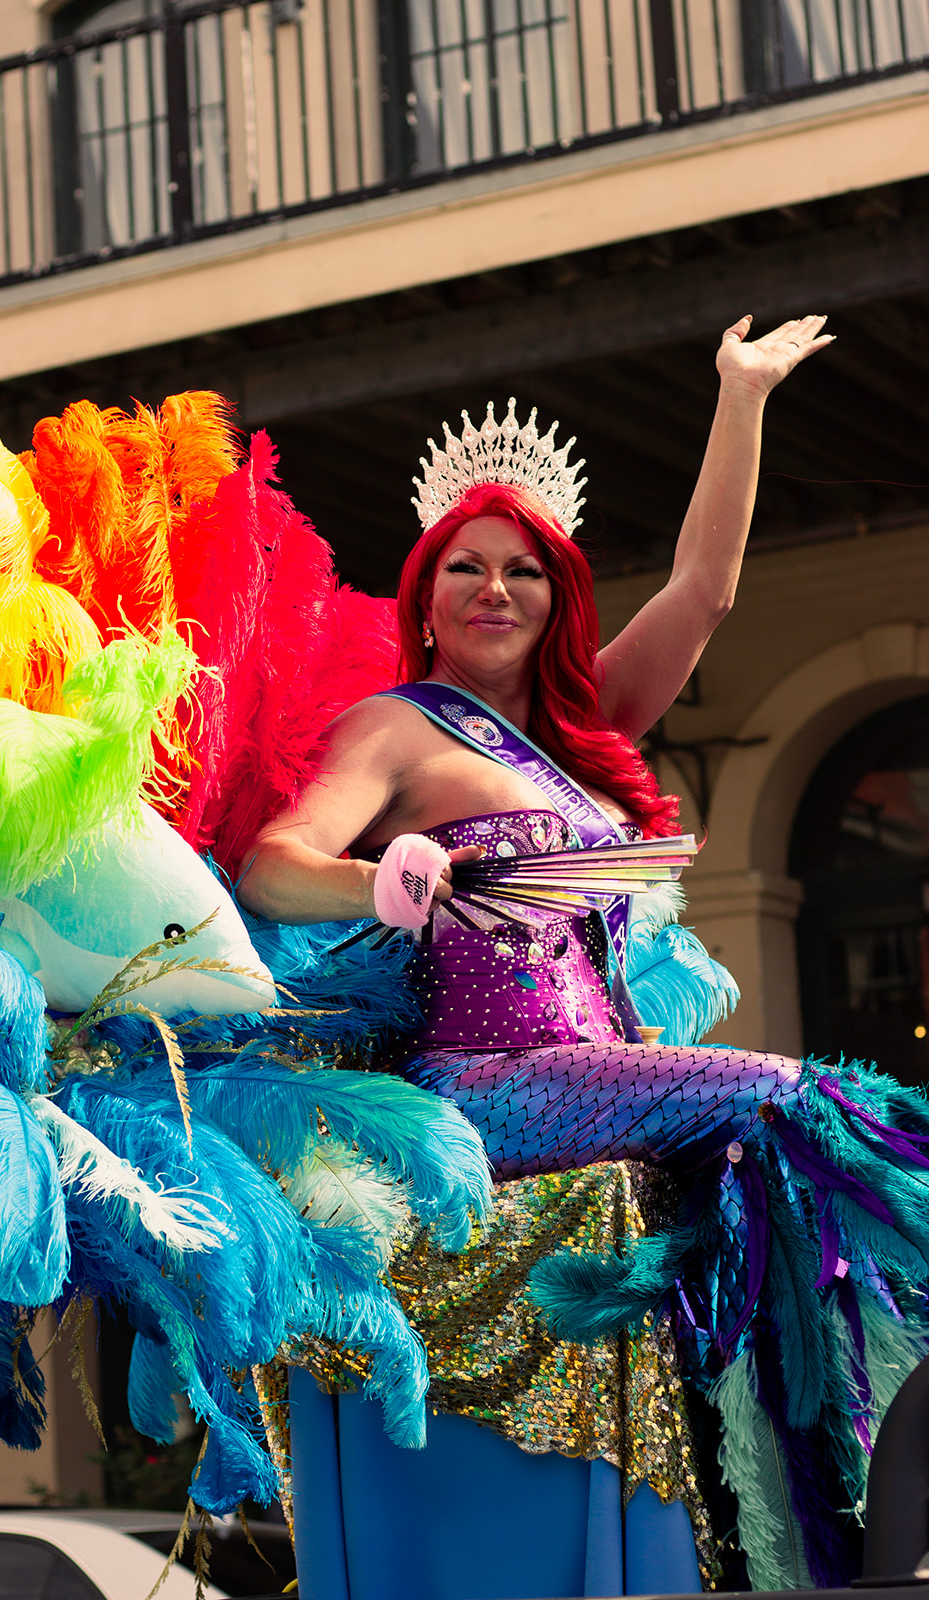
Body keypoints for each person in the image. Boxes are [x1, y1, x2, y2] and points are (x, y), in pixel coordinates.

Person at [239, 315, 929, 1599]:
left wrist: (738, 396)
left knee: (765, 1160)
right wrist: (389, 881)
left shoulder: (570, 734)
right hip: (487, 1086)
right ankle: (873, 1504)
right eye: (466, 567)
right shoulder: (391, 727)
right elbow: (272, 862)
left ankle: (813, 1463)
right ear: (424, 596)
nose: (495, 589)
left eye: (526, 570)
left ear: (558, 594)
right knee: (798, 1097)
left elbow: (706, 591)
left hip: (594, 1070)